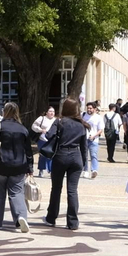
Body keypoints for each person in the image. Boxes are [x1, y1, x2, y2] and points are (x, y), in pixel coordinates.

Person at [0, 102, 33, 232]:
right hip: (19, 166)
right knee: (17, 193)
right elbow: (28, 151)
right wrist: (30, 168)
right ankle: (21, 217)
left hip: (0, 165)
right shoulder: (22, 128)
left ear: (4, 112)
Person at [42, 98, 90, 230]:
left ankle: (51, 218)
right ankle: (73, 222)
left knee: (56, 189)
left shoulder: (60, 122)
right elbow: (84, 146)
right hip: (76, 156)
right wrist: (84, 162)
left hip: (61, 155)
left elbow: (49, 135)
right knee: (72, 190)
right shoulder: (81, 125)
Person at [31, 106, 56, 178]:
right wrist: (40, 130)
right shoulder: (41, 118)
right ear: (46, 112)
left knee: (51, 156)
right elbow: (33, 126)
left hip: (51, 140)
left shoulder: (56, 120)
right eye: (50, 111)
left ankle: (51, 171)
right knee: (42, 155)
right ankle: (41, 170)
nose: (52, 113)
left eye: (53, 111)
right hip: (42, 140)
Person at [81, 101, 101, 179]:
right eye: (88, 108)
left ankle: (94, 170)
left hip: (94, 139)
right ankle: (85, 170)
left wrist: (94, 136)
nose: (89, 109)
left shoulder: (98, 117)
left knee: (93, 155)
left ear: (94, 109)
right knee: (84, 155)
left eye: (90, 108)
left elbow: (100, 129)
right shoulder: (83, 115)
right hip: (84, 138)